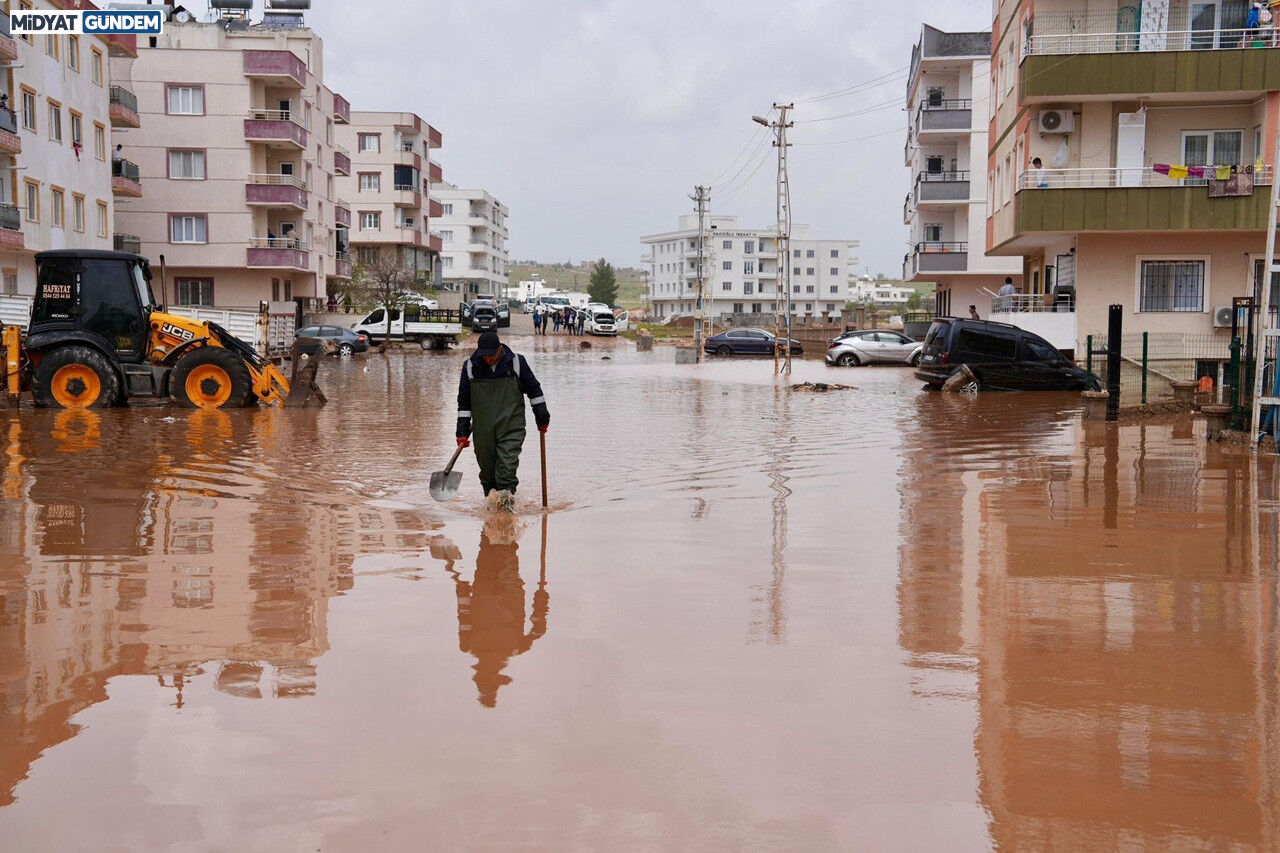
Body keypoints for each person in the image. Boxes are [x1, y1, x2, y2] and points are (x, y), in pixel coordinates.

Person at [456, 331, 550, 511]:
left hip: (511, 427)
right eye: (485, 355)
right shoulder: (470, 367)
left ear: (500, 349)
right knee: (488, 475)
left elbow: (534, 391)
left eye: (492, 355)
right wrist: (461, 432)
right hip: (483, 430)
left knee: (506, 471)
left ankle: (506, 517)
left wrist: (542, 416)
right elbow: (464, 402)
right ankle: (491, 518)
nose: (489, 359)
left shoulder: (516, 363)